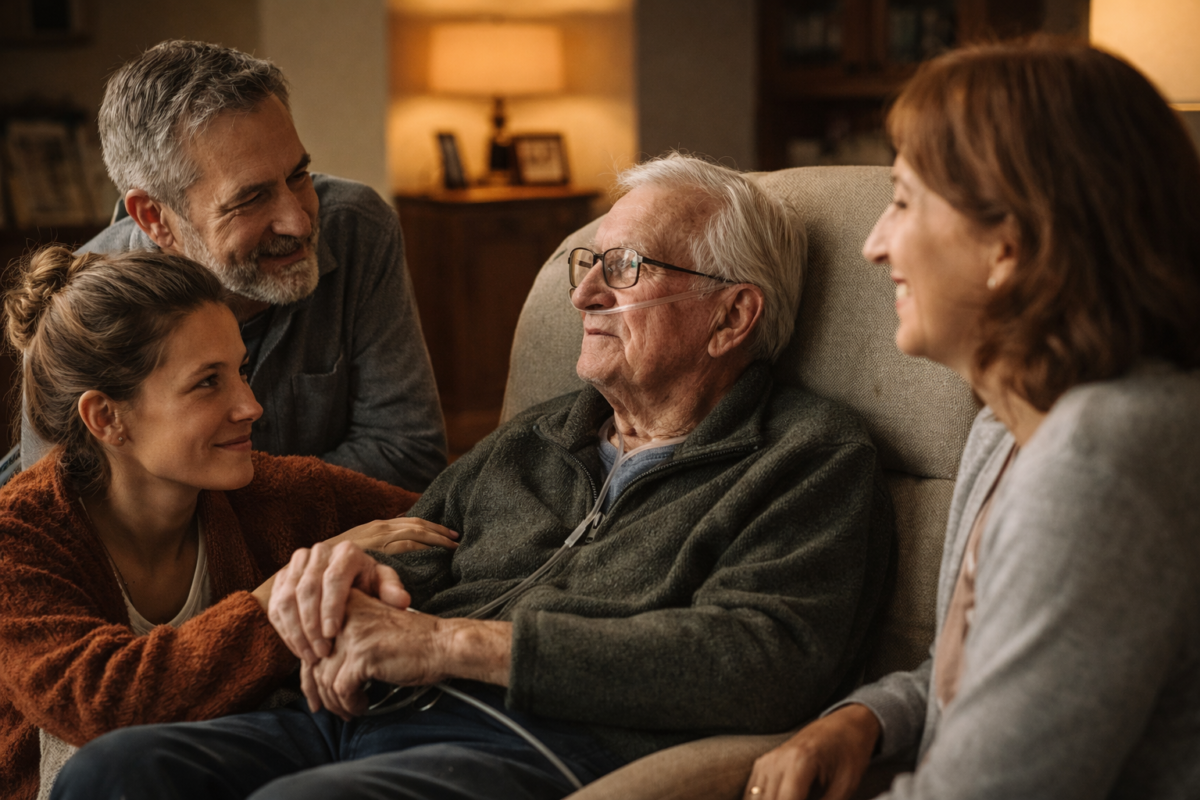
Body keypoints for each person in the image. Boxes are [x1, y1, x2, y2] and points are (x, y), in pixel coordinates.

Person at [53, 154, 895, 800]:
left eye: (626, 268)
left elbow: (760, 659)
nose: (586, 294)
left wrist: (452, 645)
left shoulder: (807, 459)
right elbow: (424, 543)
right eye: (585, 265)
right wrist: (348, 599)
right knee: (113, 772)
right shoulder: (539, 437)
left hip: (534, 742)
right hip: (359, 715)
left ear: (732, 316)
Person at [743, 38, 1200, 800]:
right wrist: (861, 718)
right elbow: (986, 665)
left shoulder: (1101, 462)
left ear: (1008, 245)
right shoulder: (1006, 427)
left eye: (902, 200)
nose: (872, 245)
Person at [0, 247, 460, 800]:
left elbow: (448, 513)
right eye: (207, 383)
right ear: (106, 418)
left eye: (240, 371)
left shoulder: (275, 495)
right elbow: (107, 705)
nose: (250, 406)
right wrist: (292, 592)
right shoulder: (17, 542)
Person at [19, 39, 447, 491]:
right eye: (251, 197)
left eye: (298, 176)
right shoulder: (80, 311)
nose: (299, 222)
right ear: (154, 217)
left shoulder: (359, 228)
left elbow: (411, 456)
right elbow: (62, 512)